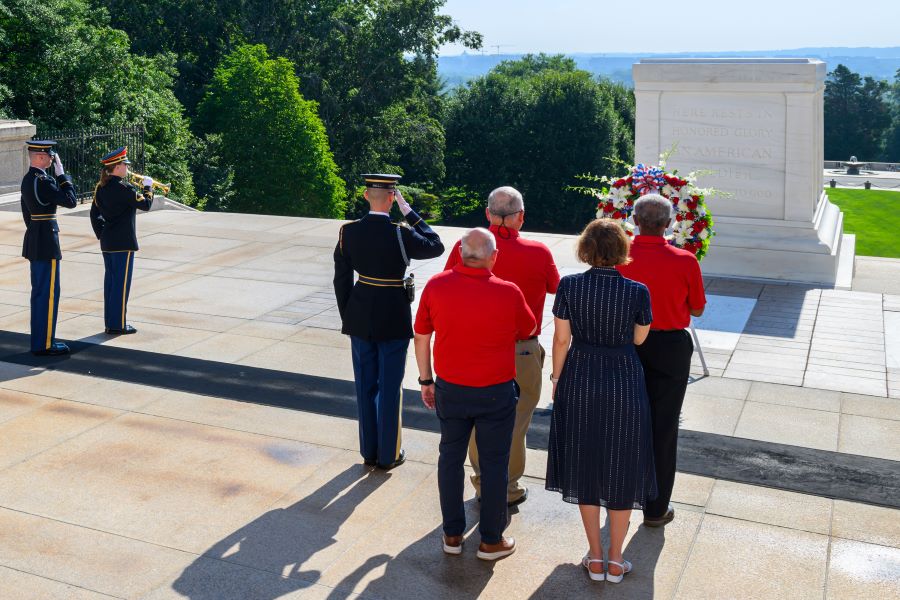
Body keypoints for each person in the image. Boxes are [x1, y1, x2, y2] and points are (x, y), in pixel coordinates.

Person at [414, 228, 536, 561]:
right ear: (493, 257)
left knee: (450, 459)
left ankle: (452, 534)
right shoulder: (508, 291)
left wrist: (426, 380)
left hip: (450, 388)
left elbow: (422, 336)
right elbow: (528, 329)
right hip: (495, 392)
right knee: (495, 464)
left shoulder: (436, 286)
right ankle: (490, 540)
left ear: (461, 252)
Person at [546, 218, 657, 584]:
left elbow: (561, 341)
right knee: (623, 466)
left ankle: (594, 558)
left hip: (580, 377)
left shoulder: (570, 286)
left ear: (586, 248)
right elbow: (640, 340)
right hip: (624, 380)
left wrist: (557, 379)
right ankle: (615, 560)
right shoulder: (638, 291)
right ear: (622, 249)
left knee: (586, 463)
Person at [443, 186, 559, 506]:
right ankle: (506, 487)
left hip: (474, 349)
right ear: (521, 216)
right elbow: (556, 289)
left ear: (487, 214)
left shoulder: (465, 247)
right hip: (521, 349)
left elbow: (447, 287)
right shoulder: (539, 252)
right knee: (517, 422)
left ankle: (483, 482)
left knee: (479, 421)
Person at [333, 174, 444, 470]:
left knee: (365, 386)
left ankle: (368, 452)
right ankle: (388, 455)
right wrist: (411, 213)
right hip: (393, 316)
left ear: (366, 196)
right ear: (393, 199)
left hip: (359, 316)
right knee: (389, 387)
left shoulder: (348, 232)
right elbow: (436, 245)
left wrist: (350, 317)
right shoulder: (401, 232)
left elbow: (341, 280)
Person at [618, 194, 706, 528]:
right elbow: (697, 308)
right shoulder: (685, 260)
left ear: (635, 222)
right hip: (670, 347)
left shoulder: (620, 256)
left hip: (626, 344)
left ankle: (619, 498)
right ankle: (655, 508)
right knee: (663, 426)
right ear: (668, 224)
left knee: (625, 423)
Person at [20, 139, 77, 356]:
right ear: (41, 157)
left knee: (39, 292)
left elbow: (26, 212)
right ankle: (45, 344)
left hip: (36, 237)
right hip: (47, 241)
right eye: (50, 156)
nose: (53, 159)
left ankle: (39, 341)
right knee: (49, 293)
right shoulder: (44, 181)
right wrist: (62, 175)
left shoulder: (27, 179)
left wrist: (36, 231)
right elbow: (71, 201)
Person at [89, 147, 153, 335]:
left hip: (107, 242)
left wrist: (103, 233)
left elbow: (94, 214)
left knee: (111, 284)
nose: (127, 168)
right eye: (124, 164)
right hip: (123, 243)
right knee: (120, 285)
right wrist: (148, 188)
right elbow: (146, 205)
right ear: (116, 167)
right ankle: (118, 325)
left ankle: (111, 322)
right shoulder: (125, 188)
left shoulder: (101, 188)